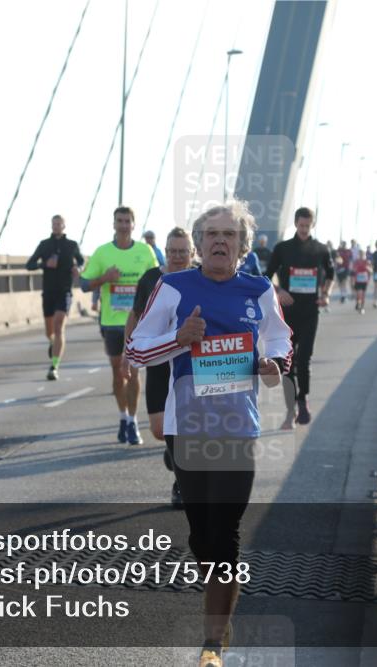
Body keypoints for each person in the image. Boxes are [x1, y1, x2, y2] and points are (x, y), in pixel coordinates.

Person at [126, 200, 292, 667]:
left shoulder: (258, 289)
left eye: (230, 235)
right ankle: (219, 595)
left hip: (237, 427)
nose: (221, 241)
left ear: (243, 245)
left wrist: (274, 363)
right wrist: (178, 340)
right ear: (197, 245)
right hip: (188, 427)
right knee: (202, 536)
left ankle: (213, 643)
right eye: (212, 234)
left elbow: (280, 337)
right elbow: (138, 351)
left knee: (227, 531)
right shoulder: (173, 287)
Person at [124, 227, 195, 504]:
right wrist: (127, 352)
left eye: (183, 251)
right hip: (157, 359)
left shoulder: (201, 279)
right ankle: (172, 449)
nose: (178, 257)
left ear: (192, 253)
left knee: (186, 426)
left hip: (189, 364)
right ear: (165, 252)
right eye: (173, 251)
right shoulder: (151, 279)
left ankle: (181, 484)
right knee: (158, 428)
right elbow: (135, 315)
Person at [81, 206, 159, 444]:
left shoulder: (145, 251)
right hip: (112, 322)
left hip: (138, 321)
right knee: (118, 371)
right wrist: (105, 278)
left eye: (127, 221)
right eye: (120, 221)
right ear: (113, 224)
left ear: (134, 225)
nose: (124, 225)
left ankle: (133, 422)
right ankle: (123, 416)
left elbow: (157, 281)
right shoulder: (102, 252)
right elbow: (84, 285)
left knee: (134, 370)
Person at [265, 207, 334, 427]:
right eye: (301, 225)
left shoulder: (321, 250)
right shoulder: (283, 248)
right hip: (287, 313)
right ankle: (290, 409)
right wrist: (279, 291)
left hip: (310, 312)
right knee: (287, 362)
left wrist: (326, 295)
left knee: (304, 360)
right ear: (295, 223)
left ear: (312, 225)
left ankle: (303, 399)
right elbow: (266, 277)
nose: (304, 229)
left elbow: (331, 275)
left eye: (308, 226)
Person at [25, 214, 84, 380]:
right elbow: (29, 264)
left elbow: (81, 261)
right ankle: (52, 342)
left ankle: (54, 366)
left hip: (64, 291)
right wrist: (44, 264)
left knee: (59, 327)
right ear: (51, 225)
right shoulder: (44, 245)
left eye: (59, 223)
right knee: (49, 331)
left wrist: (78, 268)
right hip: (48, 292)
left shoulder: (71, 245)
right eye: (54, 223)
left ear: (64, 226)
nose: (56, 226)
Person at [351, 249, 370, 313]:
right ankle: (358, 303)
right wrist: (355, 269)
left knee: (363, 295)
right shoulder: (356, 262)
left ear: (364, 255)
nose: (361, 256)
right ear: (358, 255)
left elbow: (371, 270)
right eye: (360, 254)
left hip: (364, 280)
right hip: (358, 280)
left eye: (363, 254)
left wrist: (368, 268)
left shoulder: (367, 261)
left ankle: (362, 307)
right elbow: (353, 271)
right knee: (359, 294)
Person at [335, 240, 352, 304]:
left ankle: (344, 296)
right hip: (339, 269)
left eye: (344, 244)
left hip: (346, 269)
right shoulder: (338, 251)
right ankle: (342, 295)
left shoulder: (348, 251)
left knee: (344, 282)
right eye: (342, 244)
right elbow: (336, 259)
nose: (343, 245)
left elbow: (351, 259)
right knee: (340, 283)